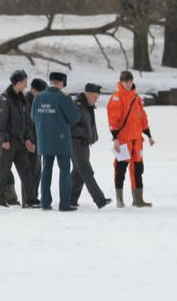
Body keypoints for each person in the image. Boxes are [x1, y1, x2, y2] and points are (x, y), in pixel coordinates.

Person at [31, 72, 81, 211]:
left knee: (46, 170)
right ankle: (64, 203)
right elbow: (74, 117)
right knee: (64, 170)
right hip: (61, 140)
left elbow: (33, 117)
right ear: (61, 83)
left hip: (44, 140)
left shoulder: (39, 97)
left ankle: (45, 202)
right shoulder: (63, 98)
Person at [107, 70, 155, 208]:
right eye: (126, 81)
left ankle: (138, 200)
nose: (128, 84)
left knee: (138, 169)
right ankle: (119, 199)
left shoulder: (136, 97)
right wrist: (115, 138)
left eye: (130, 81)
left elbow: (142, 117)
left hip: (137, 140)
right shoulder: (116, 98)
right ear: (121, 82)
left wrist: (149, 135)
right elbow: (113, 119)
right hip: (123, 140)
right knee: (120, 168)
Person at [0, 69, 39, 208]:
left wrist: (28, 139)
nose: (26, 85)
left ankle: (30, 199)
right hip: (8, 142)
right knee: (3, 171)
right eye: (24, 82)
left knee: (26, 170)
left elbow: (26, 122)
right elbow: (0, 122)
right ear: (18, 83)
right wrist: (4, 140)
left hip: (20, 141)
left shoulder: (21, 99)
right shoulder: (4, 99)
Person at [70, 83, 112, 209]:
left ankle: (70, 199)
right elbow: (70, 126)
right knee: (87, 172)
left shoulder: (87, 105)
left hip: (84, 144)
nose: (96, 99)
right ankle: (100, 200)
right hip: (76, 143)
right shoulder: (77, 106)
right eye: (95, 97)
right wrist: (84, 133)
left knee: (78, 173)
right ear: (87, 93)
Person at [25, 78, 48, 205]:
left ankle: (34, 196)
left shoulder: (38, 101)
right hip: (31, 141)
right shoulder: (27, 102)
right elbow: (28, 124)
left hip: (39, 140)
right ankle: (29, 199)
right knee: (29, 170)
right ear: (33, 90)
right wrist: (30, 140)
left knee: (37, 170)